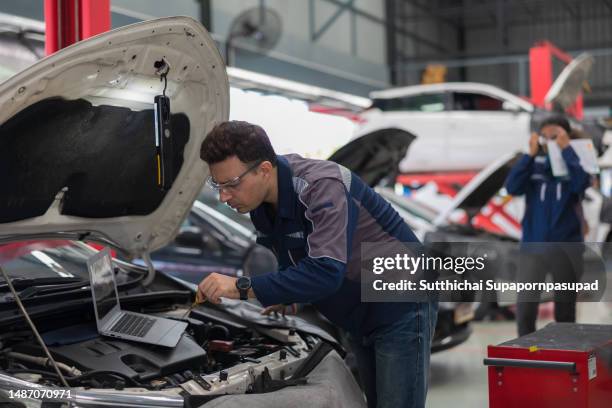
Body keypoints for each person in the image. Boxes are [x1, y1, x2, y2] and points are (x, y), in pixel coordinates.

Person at [196, 121, 438, 408]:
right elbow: (295, 258)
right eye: (217, 185)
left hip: (400, 302)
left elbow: (325, 271)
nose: (224, 196)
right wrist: (290, 296)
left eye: (231, 184)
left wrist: (242, 287)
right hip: (359, 312)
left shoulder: (321, 186)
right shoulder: (259, 205)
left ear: (263, 169)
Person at [505, 115, 590, 336]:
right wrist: (529, 155)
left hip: (566, 249)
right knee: (525, 309)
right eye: (546, 136)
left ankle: (563, 360)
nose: (550, 140)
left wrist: (567, 151)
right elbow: (512, 187)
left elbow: (582, 184)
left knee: (565, 311)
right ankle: (527, 357)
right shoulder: (532, 166)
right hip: (533, 249)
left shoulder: (576, 163)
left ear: (566, 137)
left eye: (556, 136)